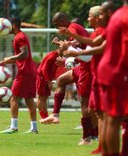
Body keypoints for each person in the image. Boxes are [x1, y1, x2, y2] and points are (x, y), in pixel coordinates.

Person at [61, 1, 118, 154]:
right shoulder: (97, 32)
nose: (88, 19)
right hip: (97, 75)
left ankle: (100, 143)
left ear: (100, 17)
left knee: (102, 113)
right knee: (95, 110)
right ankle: (101, 143)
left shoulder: (102, 30)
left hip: (100, 75)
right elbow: (92, 44)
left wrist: (73, 51)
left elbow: (92, 53)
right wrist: (70, 36)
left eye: (90, 16)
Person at [40, 12, 93, 145]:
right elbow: (77, 48)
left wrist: (65, 46)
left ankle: (89, 137)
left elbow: (78, 42)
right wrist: (64, 55)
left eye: (58, 25)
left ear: (63, 20)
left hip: (87, 68)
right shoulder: (73, 30)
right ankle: (55, 115)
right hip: (82, 66)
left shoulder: (72, 27)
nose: (58, 28)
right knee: (61, 80)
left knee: (86, 104)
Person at [96, 1, 128, 155]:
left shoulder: (118, 15)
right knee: (114, 120)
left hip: (109, 71)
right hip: (118, 73)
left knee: (111, 118)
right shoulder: (125, 16)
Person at [0, 17, 38, 134]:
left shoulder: (19, 37)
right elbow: (21, 57)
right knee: (29, 100)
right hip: (31, 71)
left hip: (25, 72)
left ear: (13, 25)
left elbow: (24, 54)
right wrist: (6, 61)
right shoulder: (21, 36)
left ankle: (13, 126)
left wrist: (10, 58)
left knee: (13, 97)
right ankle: (34, 128)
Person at [36, 49, 65, 120]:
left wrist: (52, 80)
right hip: (42, 77)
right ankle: (42, 115)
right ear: (61, 49)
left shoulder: (58, 57)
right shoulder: (52, 55)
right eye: (64, 51)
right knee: (41, 97)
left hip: (48, 78)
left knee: (45, 97)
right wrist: (48, 82)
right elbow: (43, 69)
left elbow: (54, 69)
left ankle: (45, 115)